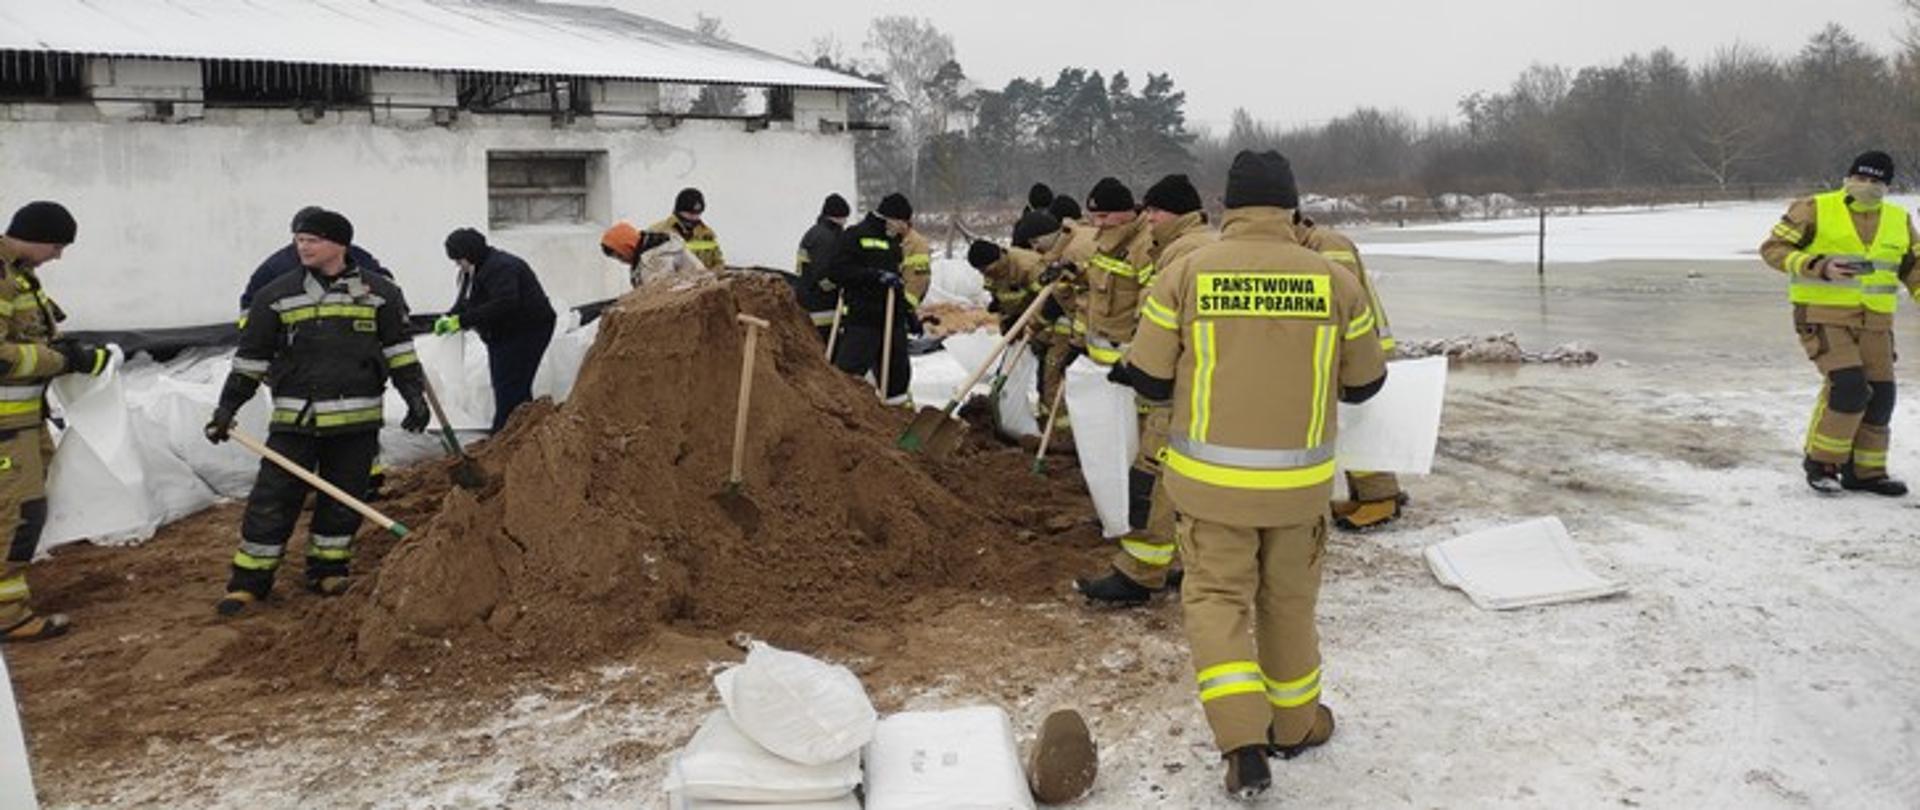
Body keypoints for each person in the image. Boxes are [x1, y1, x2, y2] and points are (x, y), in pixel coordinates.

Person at [1109, 151, 1387, 798]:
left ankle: (1242, 743)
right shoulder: (1333, 280)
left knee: (1216, 603)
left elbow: (1147, 377)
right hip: (1299, 490)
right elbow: (1366, 384)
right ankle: (1295, 726)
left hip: (1209, 489)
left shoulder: (1186, 273)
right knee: (1289, 604)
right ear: (1290, 204)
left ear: (1228, 206)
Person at [205, 209, 429, 615]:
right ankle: (249, 582)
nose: (301, 246)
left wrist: (415, 397)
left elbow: (399, 351)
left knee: (344, 499)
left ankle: (328, 569)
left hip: (358, 424)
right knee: (273, 499)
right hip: (296, 423)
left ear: (338, 245)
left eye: (312, 239)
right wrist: (226, 407)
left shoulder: (380, 293)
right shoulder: (275, 295)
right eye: (298, 239)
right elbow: (251, 359)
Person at [1077, 173, 1216, 607]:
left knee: (1152, 478)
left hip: (1176, 387)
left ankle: (1141, 573)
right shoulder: (1199, 246)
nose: (1147, 216)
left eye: (1154, 210)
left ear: (1176, 211)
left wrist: (1136, 367)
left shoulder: (1180, 255)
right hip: (1199, 384)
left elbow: (1159, 323)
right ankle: (1179, 562)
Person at [1761, 150, 1920, 495]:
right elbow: (1773, 249)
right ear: (1848, 177)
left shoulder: (1898, 219)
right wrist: (1819, 265)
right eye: (1860, 178)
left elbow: (1913, 267)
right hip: (1823, 315)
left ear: (1887, 185)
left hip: (1876, 322)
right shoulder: (1814, 207)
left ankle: (1865, 472)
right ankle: (1822, 464)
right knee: (1848, 388)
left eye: (1875, 180)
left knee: (1881, 396)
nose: (1866, 185)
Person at [0, 202, 110, 642]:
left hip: (23, 421)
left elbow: (31, 335)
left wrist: (68, 349)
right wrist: (64, 360)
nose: (58, 256)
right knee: (16, 514)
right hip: (7, 430)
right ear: (39, 236)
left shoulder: (20, 274)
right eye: (58, 246)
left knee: (23, 510)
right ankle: (7, 614)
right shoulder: (3, 276)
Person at [1294, 214, 1406, 528]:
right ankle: (1368, 495)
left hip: (1359, 347)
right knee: (1352, 424)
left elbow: (1338, 300)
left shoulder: (1327, 245)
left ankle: (1380, 500)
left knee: (1359, 426)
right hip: (1352, 345)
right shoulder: (1313, 244)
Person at [436, 228, 557, 433]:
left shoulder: (502, 267)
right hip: (502, 333)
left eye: (459, 258)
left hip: (528, 330)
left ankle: (506, 435)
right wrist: (450, 316)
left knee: (510, 385)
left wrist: (463, 321)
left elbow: (505, 303)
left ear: (470, 253)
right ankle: (518, 432)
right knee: (507, 383)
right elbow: (467, 301)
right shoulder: (474, 269)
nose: (457, 264)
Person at [827, 193, 915, 405]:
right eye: (904, 222)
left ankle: (896, 417)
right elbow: (837, 271)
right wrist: (875, 276)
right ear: (891, 218)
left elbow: (897, 284)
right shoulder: (854, 236)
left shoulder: (893, 243)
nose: (906, 228)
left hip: (892, 320)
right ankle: (840, 414)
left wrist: (909, 315)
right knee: (849, 373)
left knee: (897, 373)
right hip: (864, 319)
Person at [239, 205, 388, 316]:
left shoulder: (355, 256)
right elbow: (250, 304)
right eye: (301, 239)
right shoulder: (276, 267)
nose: (304, 247)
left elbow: (386, 287)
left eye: (314, 239)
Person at [796, 193, 851, 341]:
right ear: (837, 216)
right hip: (821, 307)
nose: (845, 222)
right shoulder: (826, 238)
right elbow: (824, 277)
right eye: (845, 218)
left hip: (811, 301)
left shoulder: (816, 232)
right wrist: (845, 283)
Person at [601, 221, 703, 286]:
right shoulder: (649, 252)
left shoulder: (656, 257)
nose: (621, 261)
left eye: (620, 255)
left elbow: (658, 295)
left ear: (628, 247)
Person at [651, 188, 724, 271]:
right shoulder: (658, 232)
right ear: (679, 211)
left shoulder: (706, 234)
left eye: (698, 214)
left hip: (704, 282)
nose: (694, 217)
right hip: (670, 282)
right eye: (690, 213)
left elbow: (718, 263)